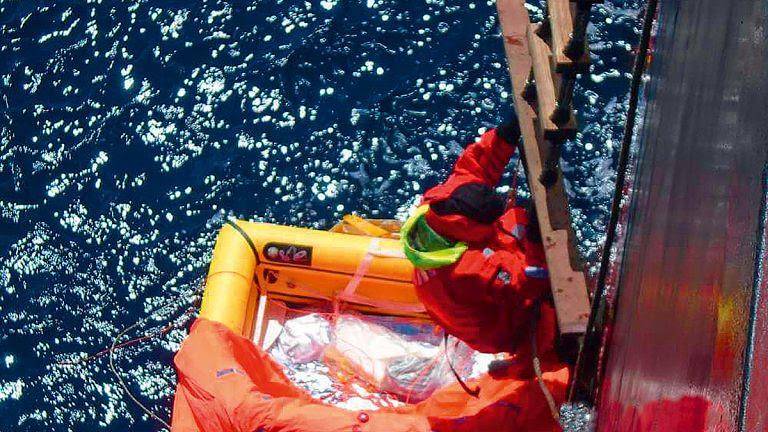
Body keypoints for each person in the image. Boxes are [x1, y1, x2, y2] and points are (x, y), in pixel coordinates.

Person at [400, 112, 557, 356]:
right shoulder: (470, 269)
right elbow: (530, 282)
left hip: (449, 297)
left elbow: (476, 166)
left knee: (516, 220)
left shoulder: (440, 203)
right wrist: (536, 240)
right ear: (475, 228)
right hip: (500, 329)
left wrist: (506, 134)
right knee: (522, 234)